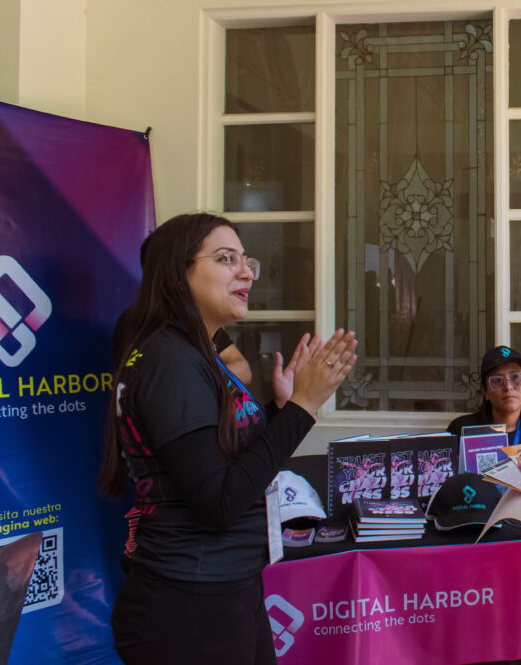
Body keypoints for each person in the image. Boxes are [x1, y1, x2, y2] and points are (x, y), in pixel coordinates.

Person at [95, 213, 357, 664]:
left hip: (226, 591)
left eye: (245, 259)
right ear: (179, 273)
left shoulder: (196, 351)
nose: (247, 272)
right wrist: (302, 409)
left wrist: (280, 408)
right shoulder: (169, 359)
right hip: (188, 605)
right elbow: (219, 502)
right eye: (225, 258)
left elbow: (233, 461)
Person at [113, 231, 253, 384]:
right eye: (224, 259)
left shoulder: (196, 318)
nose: (247, 274)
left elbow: (243, 369)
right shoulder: (141, 322)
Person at [446, 345, 521, 445]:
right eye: (497, 380)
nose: (508, 387)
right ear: (485, 391)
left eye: (515, 377)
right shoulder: (461, 431)